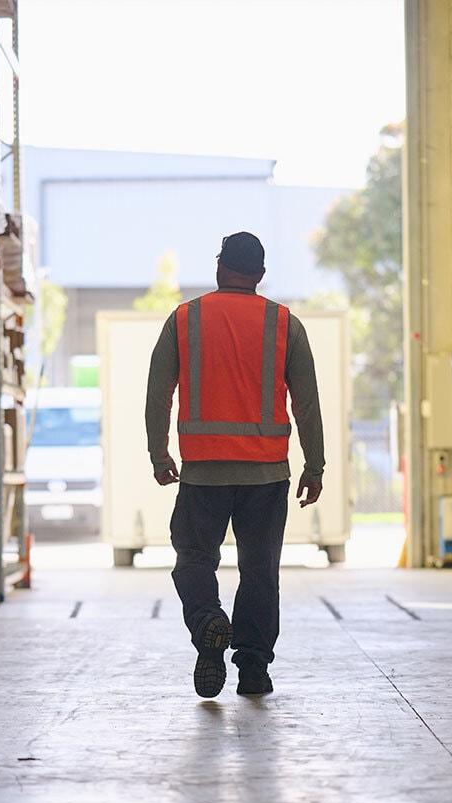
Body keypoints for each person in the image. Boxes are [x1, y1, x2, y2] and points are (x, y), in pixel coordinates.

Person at [146, 231, 324, 699]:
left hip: (203, 473)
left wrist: (159, 453)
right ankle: (253, 670)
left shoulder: (185, 319)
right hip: (266, 475)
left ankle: (209, 621)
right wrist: (315, 466)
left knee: (193, 562)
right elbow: (307, 403)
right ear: (261, 275)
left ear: (219, 266)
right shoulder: (285, 323)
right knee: (260, 571)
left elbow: (157, 392)